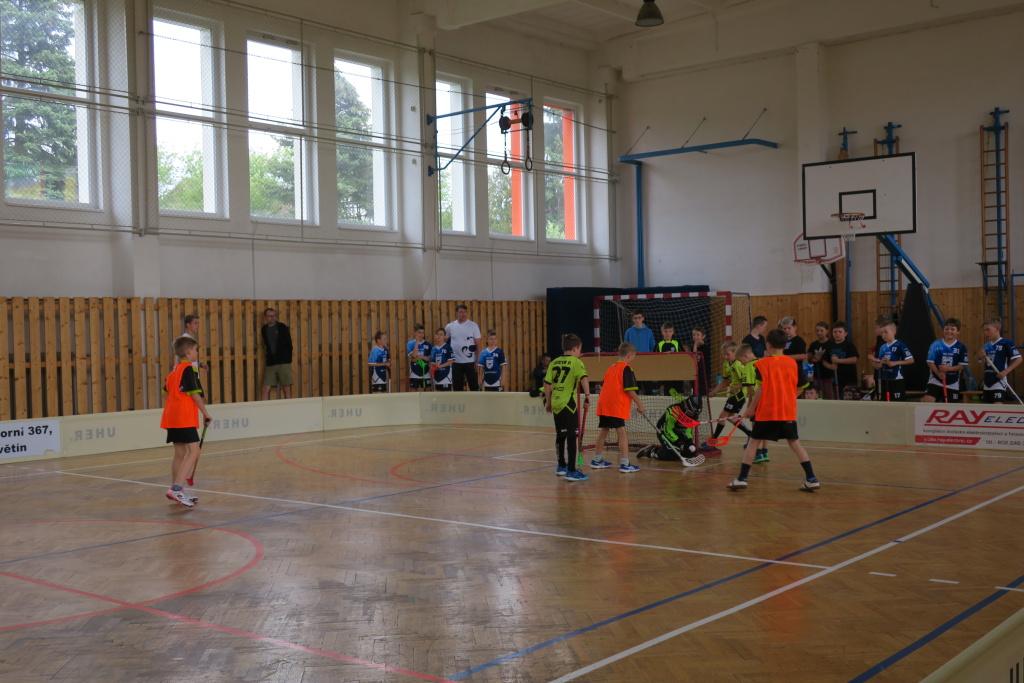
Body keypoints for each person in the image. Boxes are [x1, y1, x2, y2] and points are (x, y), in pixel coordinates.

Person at [727, 328, 820, 492]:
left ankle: (742, 478)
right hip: (786, 412)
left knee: (753, 442)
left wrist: (751, 409)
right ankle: (811, 479)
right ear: (785, 345)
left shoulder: (762, 364)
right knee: (795, 443)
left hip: (767, 412)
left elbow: (761, 390)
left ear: (768, 345)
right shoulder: (793, 364)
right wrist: (788, 398)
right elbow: (803, 386)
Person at [161, 336, 212, 508]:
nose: (197, 353)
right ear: (189, 352)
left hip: (171, 417)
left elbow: (165, 394)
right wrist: (205, 414)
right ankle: (177, 488)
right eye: (196, 350)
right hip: (183, 417)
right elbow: (196, 395)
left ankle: (176, 489)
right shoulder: (189, 369)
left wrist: (177, 401)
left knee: (180, 452)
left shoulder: (174, 371)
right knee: (194, 451)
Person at [544, 334, 591, 482]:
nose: (580, 352)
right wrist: (587, 396)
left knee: (560, 434)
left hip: (556, 403)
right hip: (568, 405)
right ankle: (571, 470)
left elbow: (547, 384)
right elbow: (584, 378)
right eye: (580, 350)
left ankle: (561, 466)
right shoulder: (576, 362)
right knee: (572, 436)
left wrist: (548, 403)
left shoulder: (554, 362)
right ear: (575, 349)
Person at [592, 342, 644, 473]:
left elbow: (604, 386)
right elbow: (630, 389)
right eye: (633, 357)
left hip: (604, 404)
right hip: (616, 405)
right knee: (621, 432)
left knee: (604, 430)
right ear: (629, 356)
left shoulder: (611, 368)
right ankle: (625, 463)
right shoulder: (626, 368)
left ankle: (597, 459)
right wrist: (640, 404)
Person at [708, 342, 753, 446]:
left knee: (722, 416)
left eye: (728, 354)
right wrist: (715, 391)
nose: (725, 356)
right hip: (733, 394)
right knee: (730, 417)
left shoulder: (738, 364)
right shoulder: (726, 364)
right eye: (724, 354)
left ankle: (714, 440)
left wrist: (736, 387)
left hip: (739, 395)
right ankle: (750, 434)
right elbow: (724, 380)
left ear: (735, 353)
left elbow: (746, 382)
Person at [637, 395, 702, 461]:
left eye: (695, 414)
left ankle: (667, 449)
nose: (692, 416)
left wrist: (689, 440)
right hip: (664, 432)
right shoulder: (674, 411)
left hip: (679, 432)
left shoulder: (693, 415)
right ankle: (652, 451)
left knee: (690, 451)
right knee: (674, 453)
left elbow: (689, 428)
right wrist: (678, 442)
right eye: (691, 413)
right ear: (686, 408)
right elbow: (668, 430)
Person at [978, 316, 1022, 404]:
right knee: (986, 407)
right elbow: (983, 363)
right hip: (987, 381)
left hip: (999, 381)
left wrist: (1006, 371)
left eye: (988, 330)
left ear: (997, 329)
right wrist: (982, 357)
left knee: (997, 405)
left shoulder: (1006, 343)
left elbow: (1019, 359)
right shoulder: (985, 346)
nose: (985, 333)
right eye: (984, 330)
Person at [924, 318, 968, 403]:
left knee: (951, 406)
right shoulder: (936, 344)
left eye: (952, 329)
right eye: (947, 328)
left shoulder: (961, 347)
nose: (949, 331)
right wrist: (938, 373)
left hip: (953, 382)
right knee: (928, 400)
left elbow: (961, 366)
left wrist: (947, 369)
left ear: (958, 332)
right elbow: (930, 362)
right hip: (935, 379)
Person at [869, 321, 914, 401]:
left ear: (894, 332)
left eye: (886, 332)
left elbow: (911, 360)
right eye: (882, 333)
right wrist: (881, 362)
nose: (883, 335)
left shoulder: (900, 345)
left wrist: (894, 363)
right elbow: (878, 366)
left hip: (896, 379)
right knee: (884, 402)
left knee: (897, 402)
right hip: (884, 379)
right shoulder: (882, 347)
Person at [445, 304, 482, 391]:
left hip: (470, 362)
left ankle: (477, 400)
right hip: (455, 362)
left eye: (465, 312)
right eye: (461, 312)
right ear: (456, 313)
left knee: (474, 385)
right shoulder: (450, 326)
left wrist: (477, 361)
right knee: (457, 387)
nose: (463, 314)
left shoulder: (473, 326)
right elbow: (445, 344)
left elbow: (479, 345)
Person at [260, 308, 293, 400]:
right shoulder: (264, 329)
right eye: (269, 316)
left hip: (283, 361)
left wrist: (288, 359)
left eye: (274, 316)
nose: (272, 318)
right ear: (265, 317)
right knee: (265, 389)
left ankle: (289, 406)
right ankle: (264, 407)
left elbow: (289, 343)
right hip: (271, 362)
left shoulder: (282, 327)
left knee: (286, 387)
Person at [821, 321, 859, 398]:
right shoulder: (829, 345)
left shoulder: (849, 345)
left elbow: (854, 359)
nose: (837, 334)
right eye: (835, 332)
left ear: (845, 333)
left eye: (840, 332)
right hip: (836, 378)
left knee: (849, 398)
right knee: (837, 397)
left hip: (849, 378)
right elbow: (824, 360)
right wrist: (830, 366)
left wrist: (838, 361)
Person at [656, 321, 683, 395]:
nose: (668, 333)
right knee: (667, 393)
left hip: (676, 371)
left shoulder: (676, 343)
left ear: (673, 332)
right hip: (665, 372)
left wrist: (673, 355)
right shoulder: (659, 344)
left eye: (670, 331)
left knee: (679, 393)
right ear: (662, 332)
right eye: (666, 331)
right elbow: (655, 357)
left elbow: (683, 355)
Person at [807, 321, 830, 396]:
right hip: (817, 373)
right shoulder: (813, 344)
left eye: (821, 330)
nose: (819, 332)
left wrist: (821, 359)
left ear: (827, 331)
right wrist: (811, 358)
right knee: (818, 394)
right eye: (817, 331)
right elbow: (810, 361)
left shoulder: (831, 343)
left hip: (829, 374)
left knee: (828, 395)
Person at [407, 323, 432, 392]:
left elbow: (430, 358)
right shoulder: (410, 343)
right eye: (419, 332)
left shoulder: (428, 344)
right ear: (415, 333)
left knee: (428, 390)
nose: (421, 335)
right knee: (413, 391)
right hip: (414, 371)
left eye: (422, 332)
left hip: (425, 371)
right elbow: (414, 355)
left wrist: (420, 357)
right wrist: (417, 343)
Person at [689, 326, 711, 396]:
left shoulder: (705, 348)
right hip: (695, 374)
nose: (695, 337)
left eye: (698, 335)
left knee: (702, 394)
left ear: (703, 336)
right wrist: (695, 346)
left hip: (703, 375)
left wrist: (695, 346)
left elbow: (696, 358)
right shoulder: (693, 348)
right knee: (695, 394)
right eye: (694, 335)